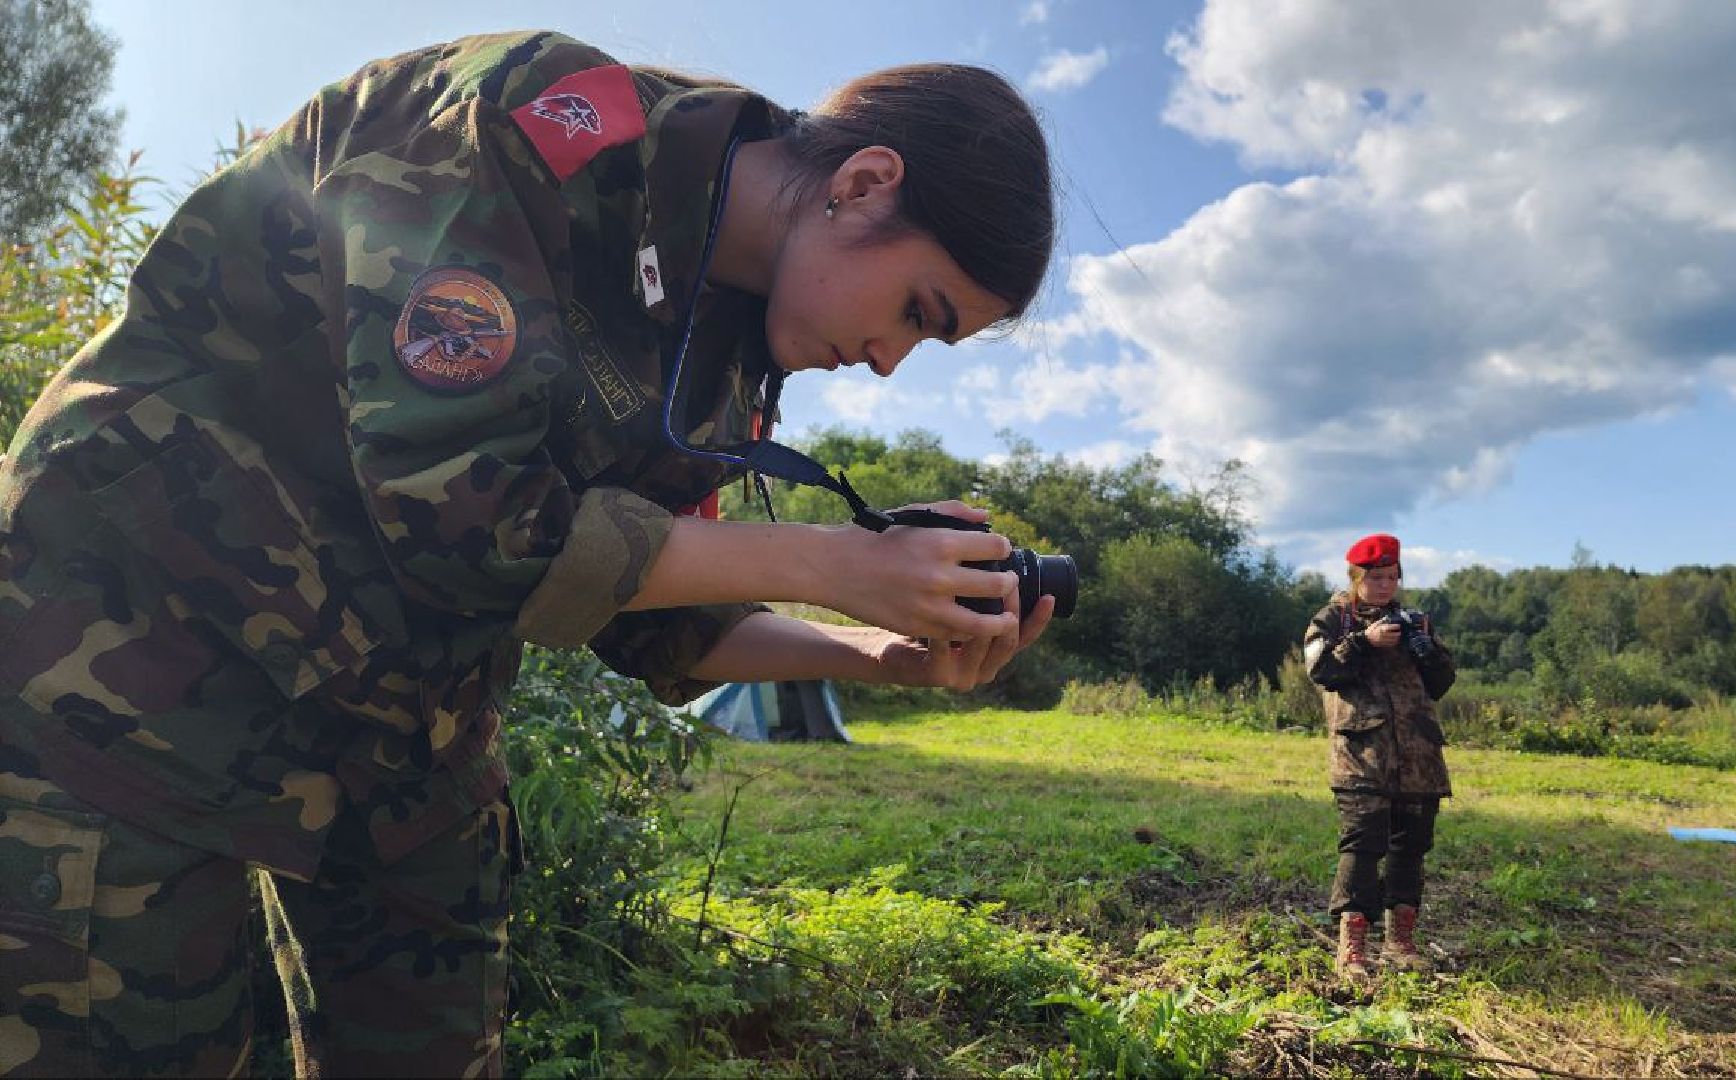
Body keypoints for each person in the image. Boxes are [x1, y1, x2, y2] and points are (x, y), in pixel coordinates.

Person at [0, 30, 1056, 1077]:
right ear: (866, 184)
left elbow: (658, 614)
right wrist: (833, 562)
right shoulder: (535, 127)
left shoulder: (723, 358)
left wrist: (873, 653)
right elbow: (466, 524)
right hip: (129, 640)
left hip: (395, 714)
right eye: (918, 312)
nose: (886, 362)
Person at [1303, 533, 1456, 976]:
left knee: (1410, 847)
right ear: (1356, 577)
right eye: (1376, 577)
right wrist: (1364, 643)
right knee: (1362, 846)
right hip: (1362, 755)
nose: (1385, 585)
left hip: (1419, 755)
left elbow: (1442, 683)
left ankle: (1400, 942)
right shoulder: (1333, 619)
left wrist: (1426, 653)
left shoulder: (1415, 621)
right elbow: (1320, 671)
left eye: (1392, 577)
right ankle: (1352, 947)